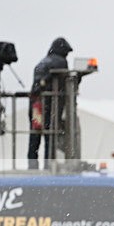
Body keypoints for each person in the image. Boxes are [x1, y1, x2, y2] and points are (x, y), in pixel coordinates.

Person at [27, 37, 73, 169]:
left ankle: (32, 166)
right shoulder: (60, 61)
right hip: (50, 104)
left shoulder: (42, 62)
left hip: (36, 104)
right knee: (50, 136)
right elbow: (63, 80)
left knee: (35, 135)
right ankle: (48, 165)